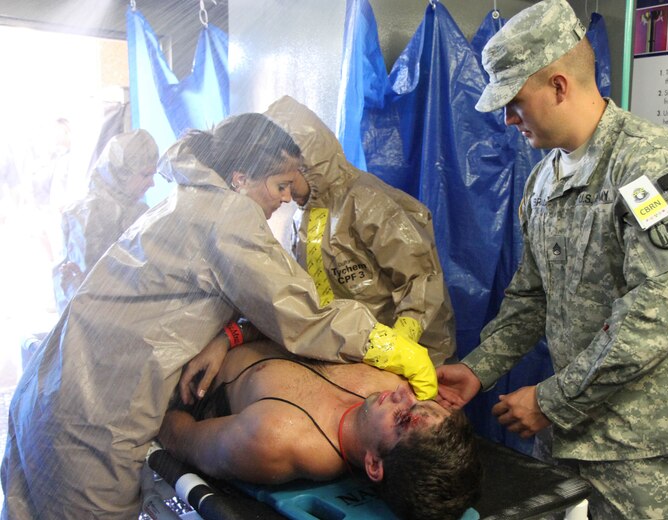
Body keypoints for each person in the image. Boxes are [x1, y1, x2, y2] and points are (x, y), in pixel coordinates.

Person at [1, 113, 437, 520]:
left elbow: (235, 301)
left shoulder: (193, 200)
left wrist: (227, 336)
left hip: (50, 388)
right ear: (240, 178)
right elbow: (304, 316)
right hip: (91, 419)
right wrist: (397, 349)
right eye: (281, 185)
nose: (287, 198)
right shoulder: (228, 219)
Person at [435, 0, 668, 518]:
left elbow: (657, 313)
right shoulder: (543, 181)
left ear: (558, 85)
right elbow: (532, 295)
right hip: (572, 433)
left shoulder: (646, 168)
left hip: (645, 446)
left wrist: (549, 401)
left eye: (515, 100)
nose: (507, 119)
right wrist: (479, 370)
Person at [180, 96, 456, 401]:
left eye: (288, 177)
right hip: (357, 367)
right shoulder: (304, 218)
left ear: (307, 161)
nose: (284, 196)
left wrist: (399, 349)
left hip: (405, 372)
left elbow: (421, 282)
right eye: (279, 182)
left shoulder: (366, 202)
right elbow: (293, 302)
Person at [161, 338, 482, 520]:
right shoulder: (388, 383)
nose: (403, 394)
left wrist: (208, 342)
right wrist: (229, 333)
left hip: (184, 349)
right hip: (238, 315)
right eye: (418, 402)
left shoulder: (278, 438)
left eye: (403, 418)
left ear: (373, 464)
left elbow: (177, 434)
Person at [53, 129, 159, 315]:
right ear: (121, 173)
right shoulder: (87, 215)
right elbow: (90, 289)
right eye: (145, 175)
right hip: (95, 323)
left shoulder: (137, 210)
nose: (152, 184)